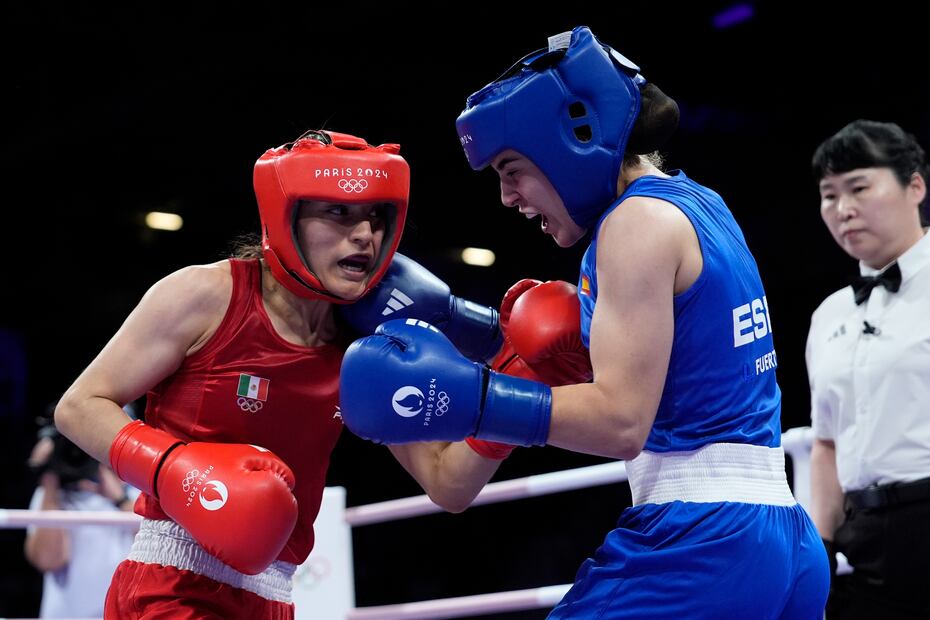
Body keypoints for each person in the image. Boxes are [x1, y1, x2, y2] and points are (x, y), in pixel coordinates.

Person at [339, 26, 829, 618]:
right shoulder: (701, 205)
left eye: (512, 169)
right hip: (783, 539)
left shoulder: (633, 225)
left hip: (702, 542)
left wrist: (469, 395)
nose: (508, 197)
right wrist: (464, 326)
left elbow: (622, 421)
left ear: (573, 139)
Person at [54, 128, 591, 618]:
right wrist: (175, 469)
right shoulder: (207, 295)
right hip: (170, 585)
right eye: (338, 213)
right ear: (285, 217)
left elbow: (447, 484)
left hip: (277, 599)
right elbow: (79, 406)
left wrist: (513, 386)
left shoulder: (370, 347)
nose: (365, 235)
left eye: (377, 217)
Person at [807, 119, 930, 618]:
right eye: (829, 194)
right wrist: (818, 545)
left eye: (859, 187)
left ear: (915, 186)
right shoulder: (828, 315)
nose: (844, 209)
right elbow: (827, 442)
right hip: (865, 543)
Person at [25, 411, 138, 619]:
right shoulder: (50, 498)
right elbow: (48, 560)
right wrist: (50, 475)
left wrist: (119, 499)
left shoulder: (139, 492)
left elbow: (158, 548)